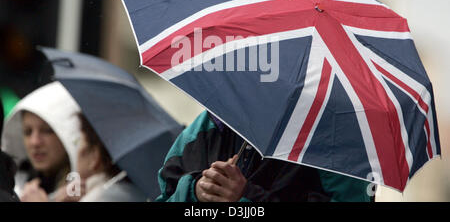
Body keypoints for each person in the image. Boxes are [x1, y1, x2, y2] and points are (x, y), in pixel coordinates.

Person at [155, 110, 373, 202]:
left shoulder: (340, 144)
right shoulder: (208, 126)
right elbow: (166, 194)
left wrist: (245, 197)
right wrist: (196, 193)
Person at [1, 81, 82, 202]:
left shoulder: (91, 191)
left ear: (69, 133)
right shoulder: (16, 185)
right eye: (28, 132)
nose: (35, 142)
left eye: (47, 131)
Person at [76, 114, 147, 202]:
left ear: (95, 156)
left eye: (78, 141)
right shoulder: (138, 195)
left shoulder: (99, 198)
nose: (77, 150)